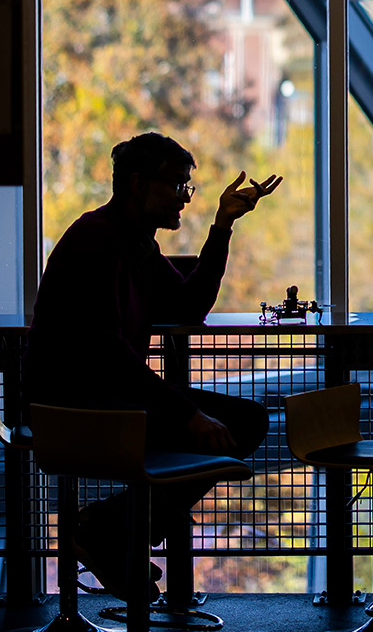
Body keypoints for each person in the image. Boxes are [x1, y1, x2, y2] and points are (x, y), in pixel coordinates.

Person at [23, 132, 281, 599]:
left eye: (189, 188)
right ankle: (109, 529)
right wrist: (186, 413)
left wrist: (222, 226)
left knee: (244, 421)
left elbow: (187, 307)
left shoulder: (131, 242)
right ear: (139, 184)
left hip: (96, 403)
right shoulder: (98, 241)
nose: (185, 197)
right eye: (178, 185)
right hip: (74, 411)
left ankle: (110, 527)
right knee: (241, 423)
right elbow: (108, 354)